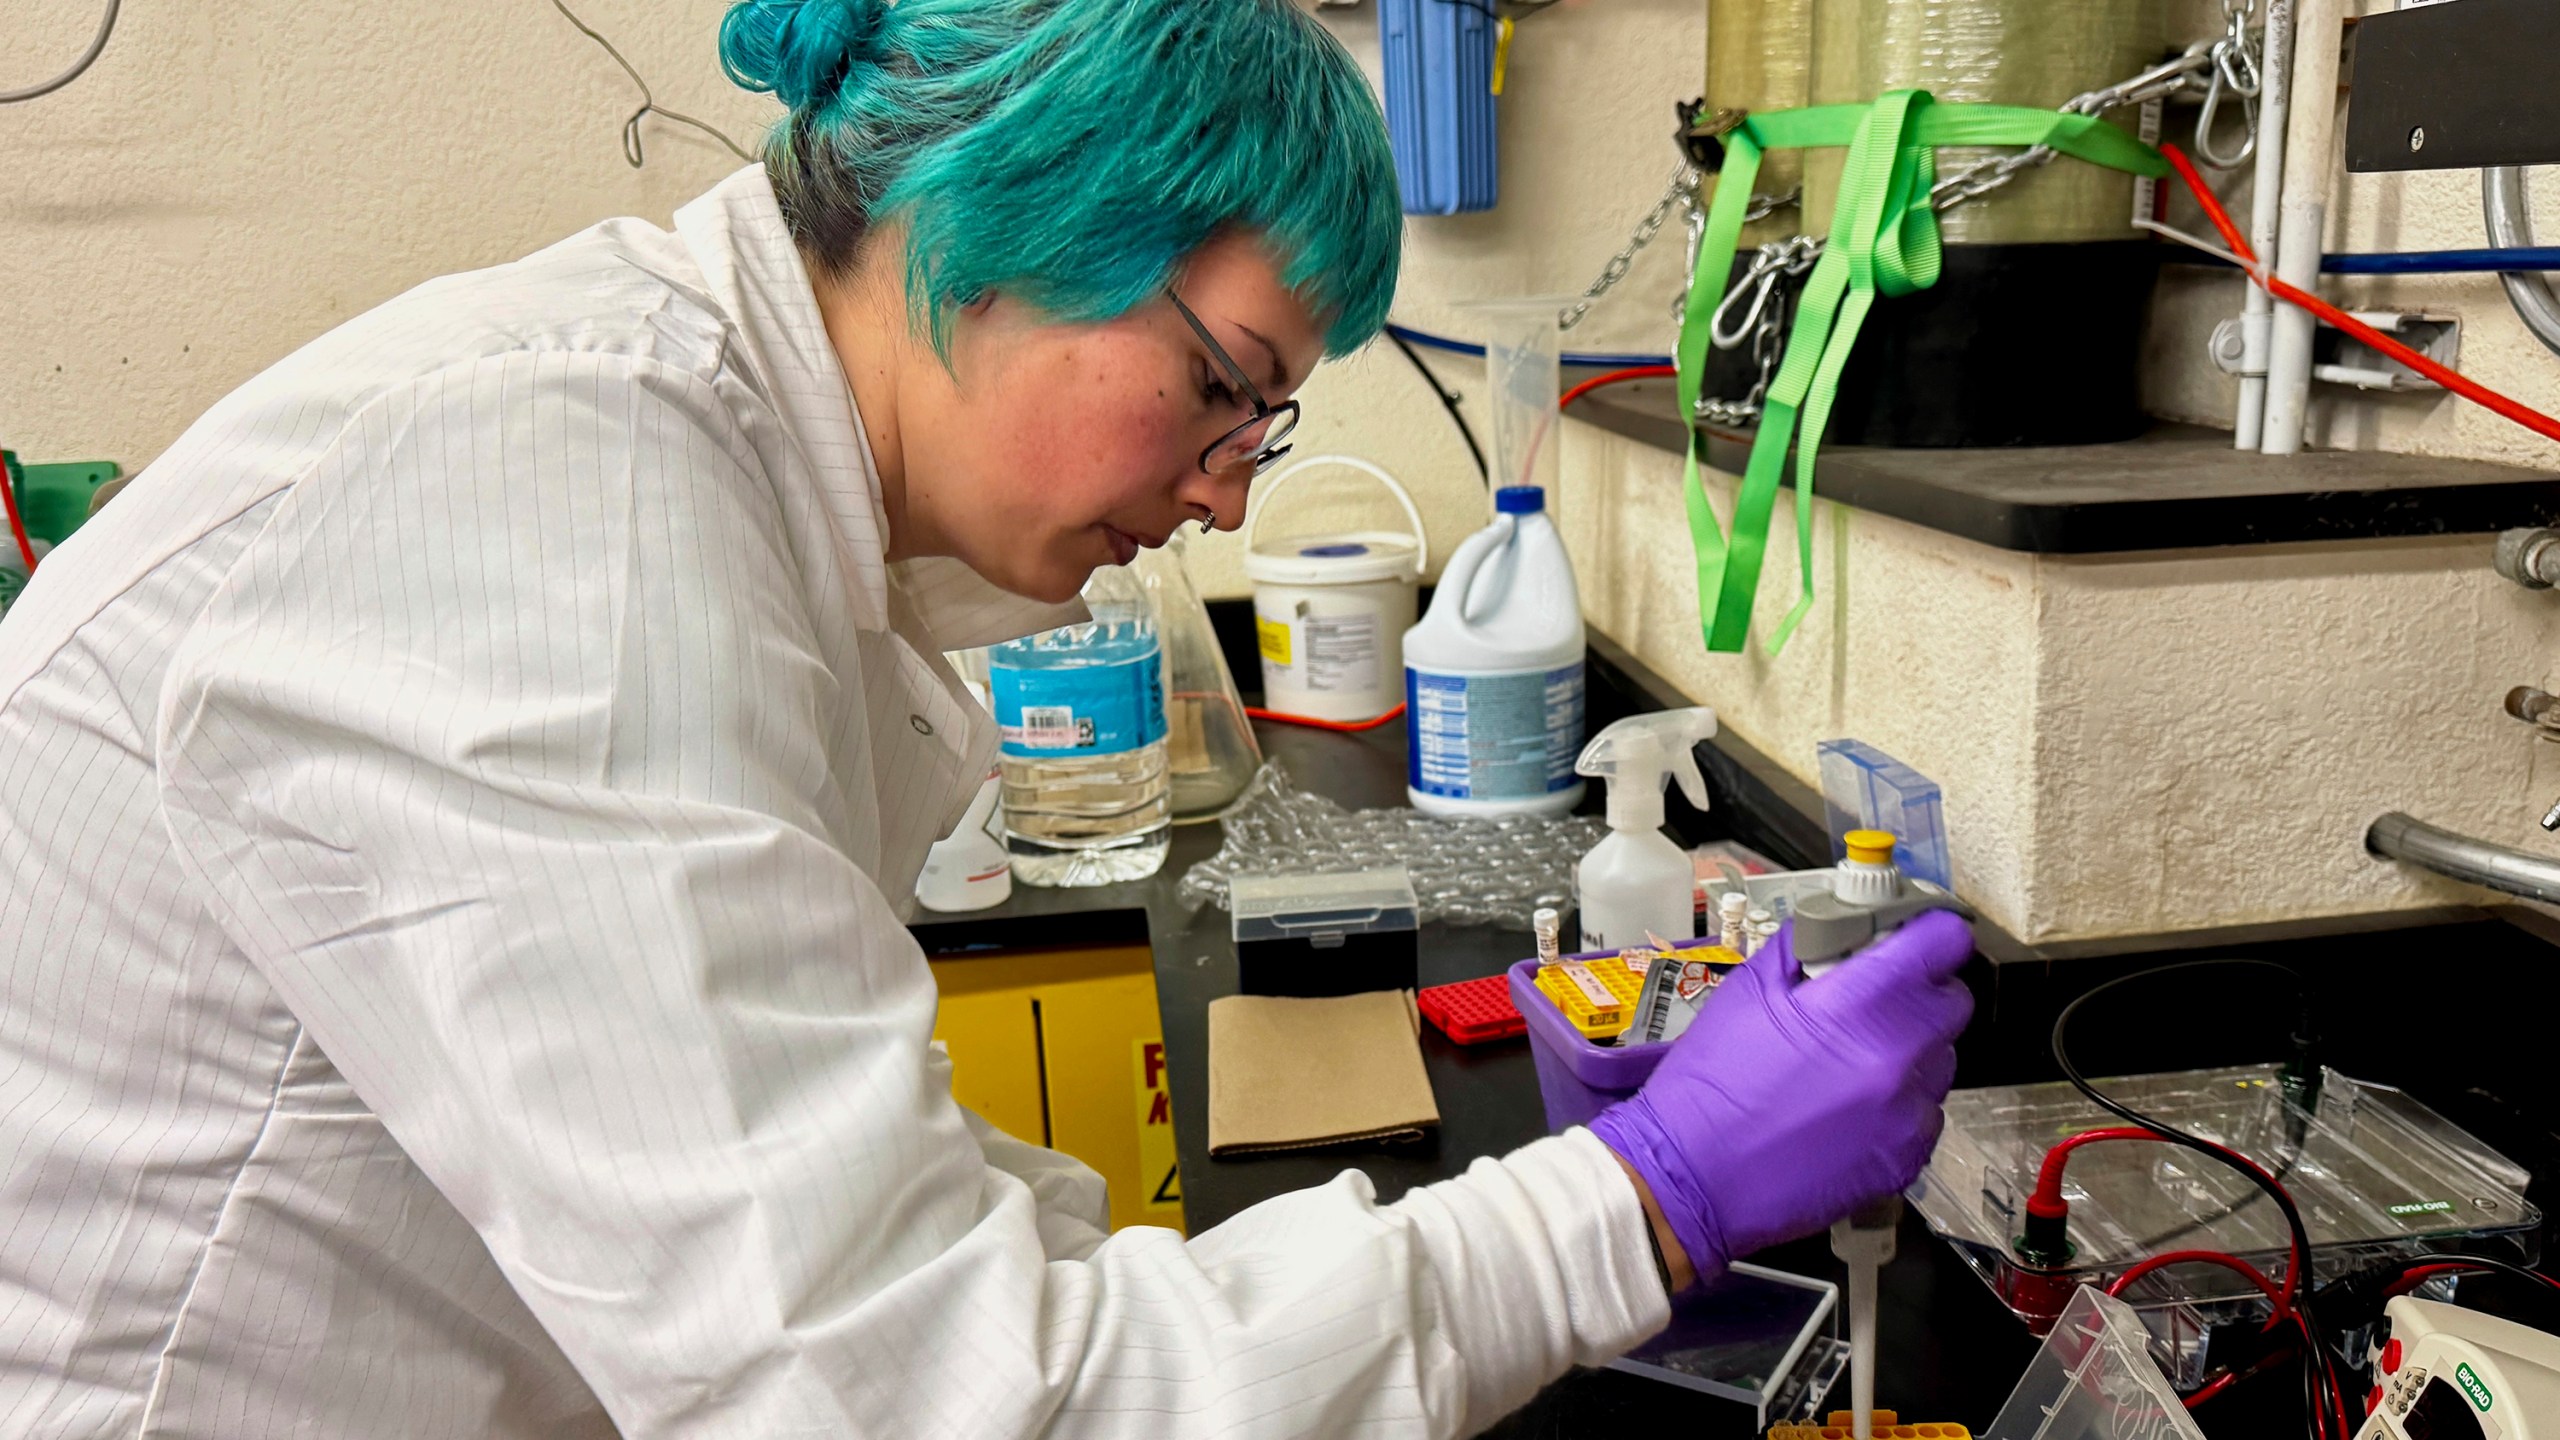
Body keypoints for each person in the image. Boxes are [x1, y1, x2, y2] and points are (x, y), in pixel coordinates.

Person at [0, 1, 1973, 1434]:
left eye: (1262, 428)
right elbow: (922, 1398)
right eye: (1225, 386)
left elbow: (922, 1243)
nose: (1228, 489)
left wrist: (1497, 1211)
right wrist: (1633, 1204)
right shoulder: (549, 496)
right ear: (1015, 214)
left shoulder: (740, 502)